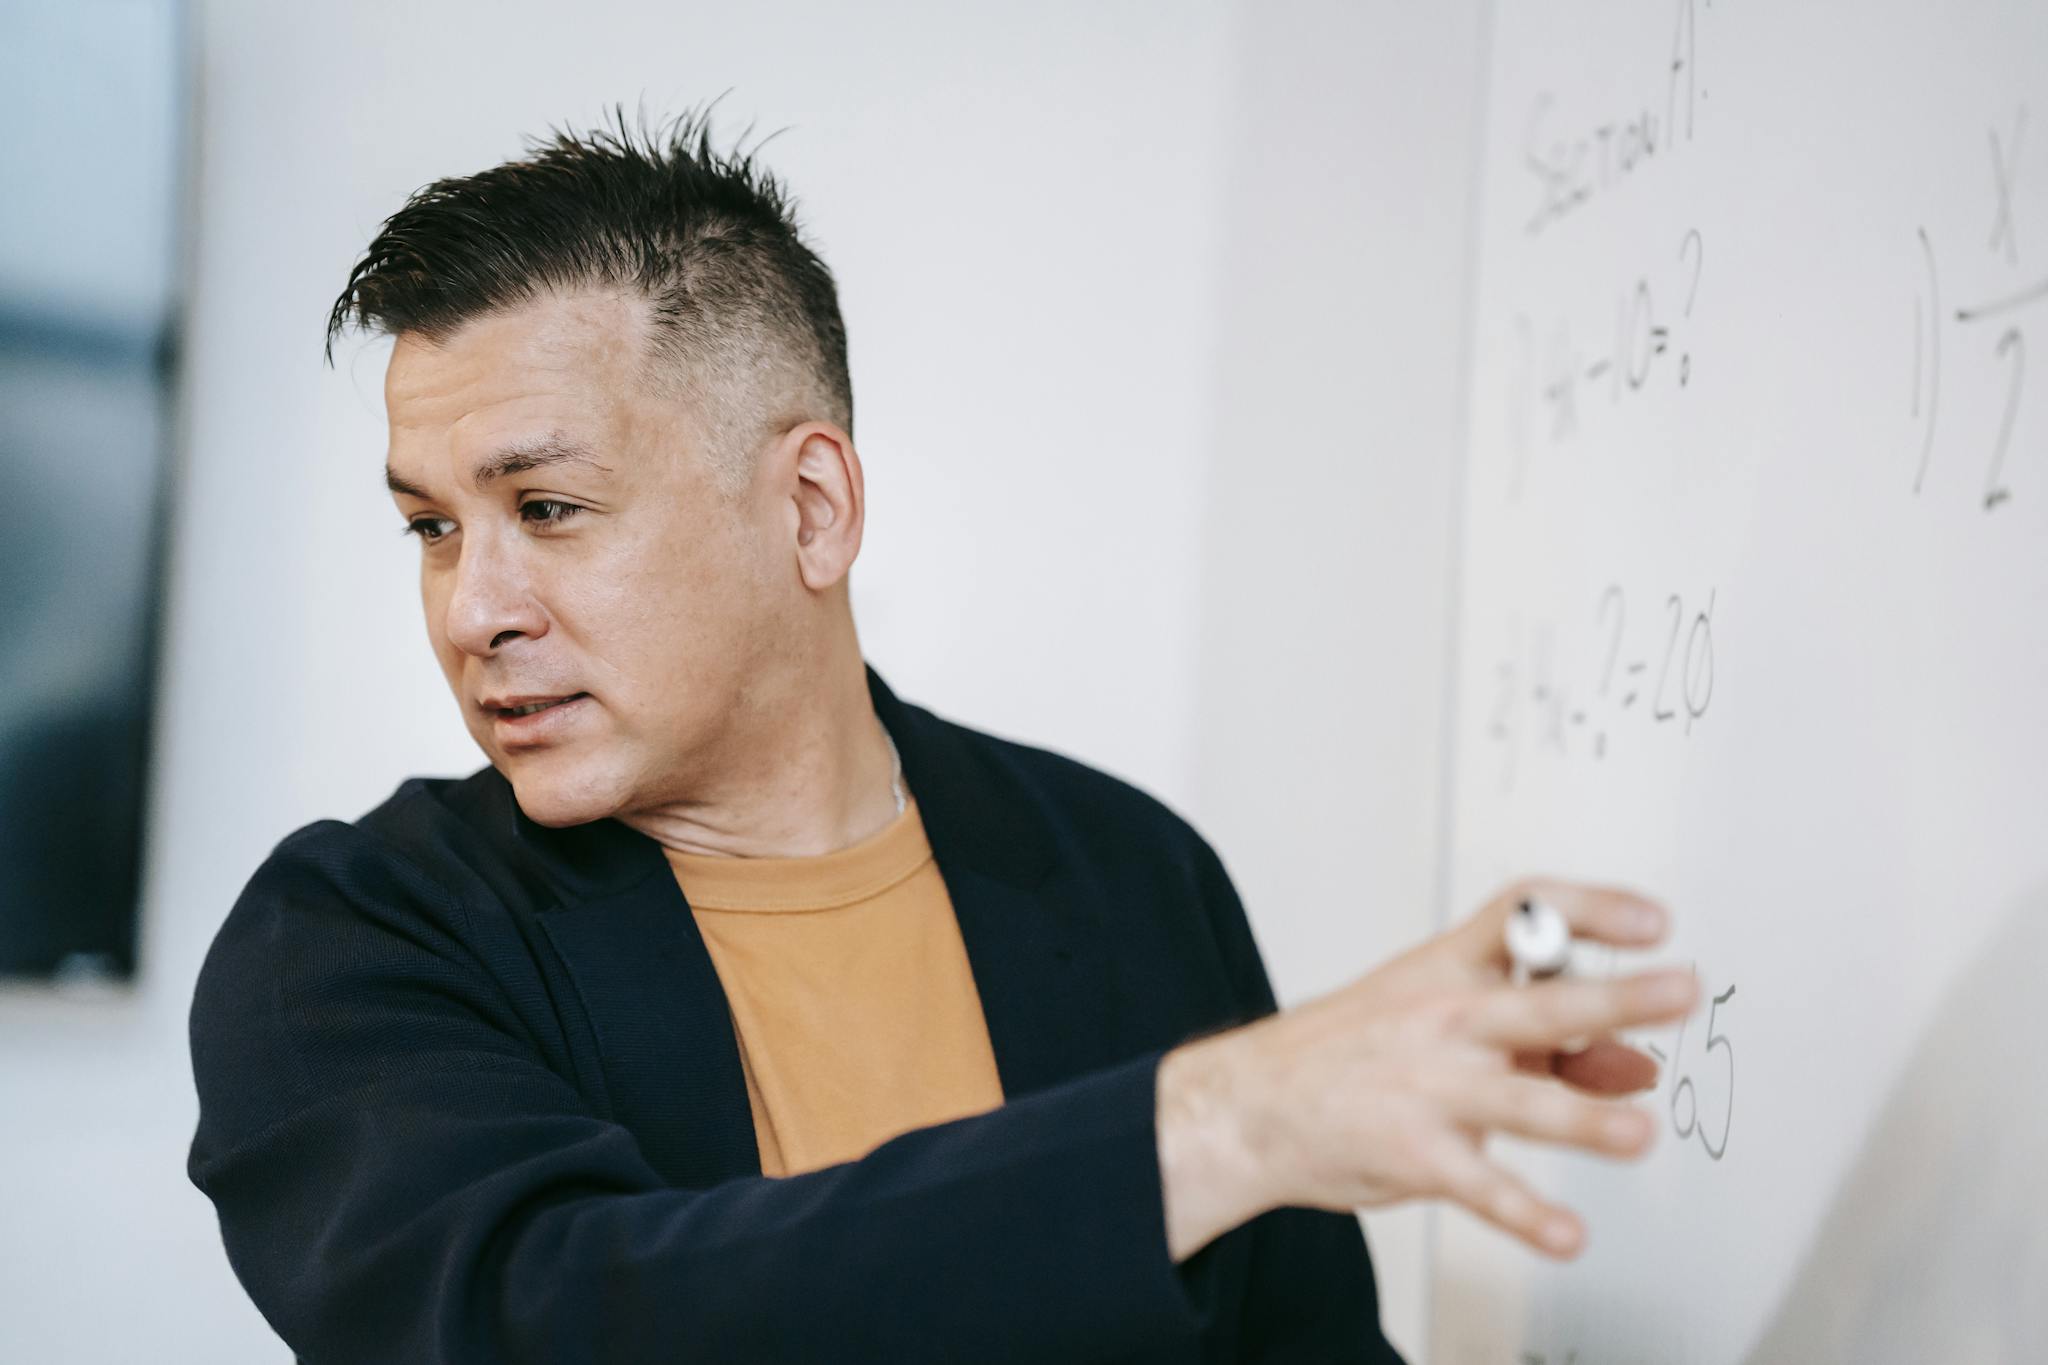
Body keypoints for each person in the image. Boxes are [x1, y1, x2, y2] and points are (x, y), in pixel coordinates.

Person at [185, 111, 1699, 1364]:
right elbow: (556, 1316)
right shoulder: (347, 940)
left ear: (811, 506)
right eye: (431, 527)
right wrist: (1222, 1121)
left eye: (549, 510)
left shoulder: (1127, 876)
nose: (474, 608)